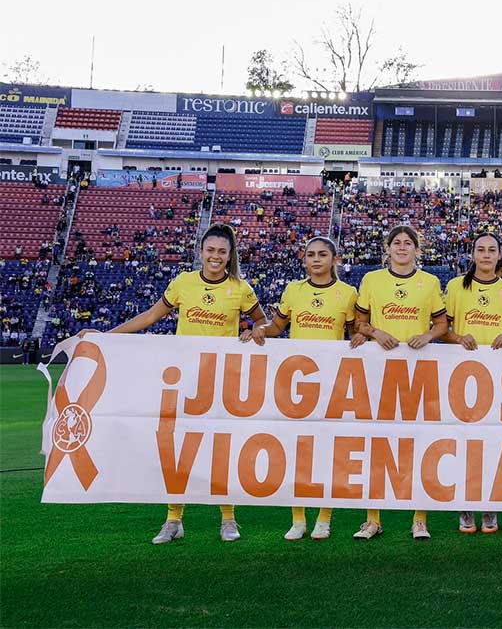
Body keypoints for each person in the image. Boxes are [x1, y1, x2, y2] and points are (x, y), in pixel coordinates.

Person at [77, 223, 265, 545]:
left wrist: (254, 330)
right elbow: (150, 316)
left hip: (221, 381)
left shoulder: (240, 289)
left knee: (220, 448)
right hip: (184, 379)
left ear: (230, 255)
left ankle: (228, 518)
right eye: (211, 250)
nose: (215, 256)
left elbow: (262, 320)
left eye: (222, 251)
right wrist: (105, 337)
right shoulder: (184, 283)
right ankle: (174, 519)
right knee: (180, 449)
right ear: (201, 252)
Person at [240, 237, 361, 541]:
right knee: (298, 452)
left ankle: (324, 517)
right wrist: (259, 328)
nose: (316, 259)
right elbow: (277, 326)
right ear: (303, 260)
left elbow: (354, 334)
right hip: (297, 381)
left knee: (327, 452)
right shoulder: (294, 290)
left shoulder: (348, 293)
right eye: (311, 255)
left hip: (332, 381)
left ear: (335, 258)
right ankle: (298, 519)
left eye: (323, 254)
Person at [352, 225, 449, 540]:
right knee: (378, 445)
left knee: (417, 444)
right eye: (397, 243)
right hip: (379, 371)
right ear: (388, 248)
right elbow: (359, 322)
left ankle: (419, 519)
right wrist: (376, 333)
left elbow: (442, 323)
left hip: (419, 373)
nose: (402, 247)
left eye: (408, 243)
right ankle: (373, 519)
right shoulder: (372, 280)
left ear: (417, 250)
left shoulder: (430, 282)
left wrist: (427, 335)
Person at [444, 233, 502, 535]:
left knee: (492, 443)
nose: (486, 255)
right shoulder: (455, 287)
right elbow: (441, 329)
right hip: (462, 375)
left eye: (492, 250)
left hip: (497, 376)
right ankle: (465, 505)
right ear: (472, 254)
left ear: (499, 255)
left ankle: (490, 505)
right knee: (464, 442)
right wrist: (459, 337)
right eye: (480, 250)